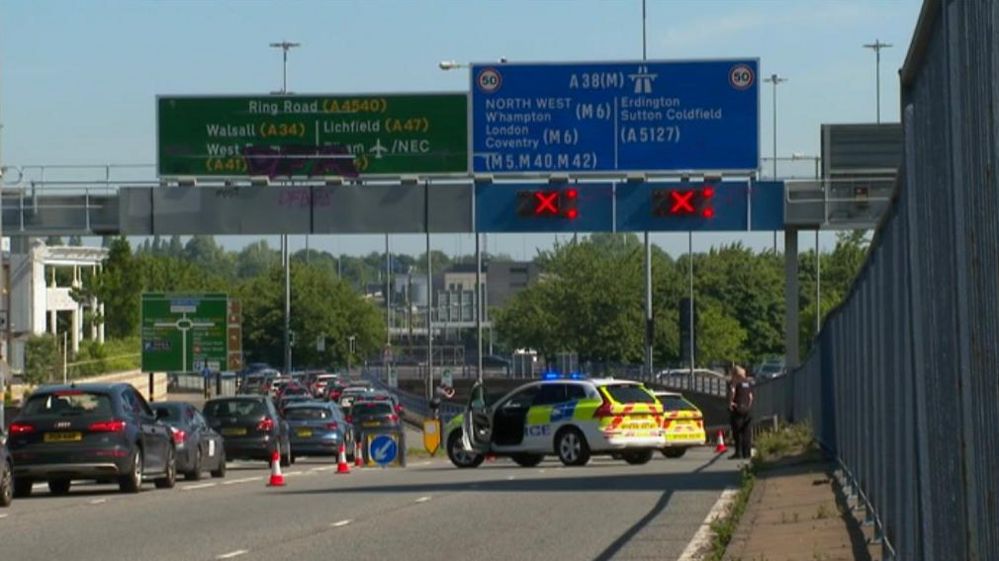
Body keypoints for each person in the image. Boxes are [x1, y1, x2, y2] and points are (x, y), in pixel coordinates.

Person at [729, 365, 754, 460]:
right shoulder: (748, 383)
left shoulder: (735, 382)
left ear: (735, 375)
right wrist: (748, 406)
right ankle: (747, 453)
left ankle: (738, 453)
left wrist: (730, 403)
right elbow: (751, 397)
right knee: (747, 432)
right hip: (747, 410)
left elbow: (732, 391)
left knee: (737, 432)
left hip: (738, 409)